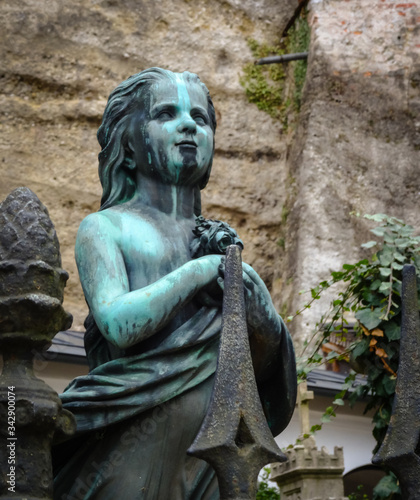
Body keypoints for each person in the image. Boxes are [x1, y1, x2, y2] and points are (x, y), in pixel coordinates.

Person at [53, 68, 296, 500]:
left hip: (213, 456)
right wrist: (201, 272)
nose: (188, 124)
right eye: (166, 113)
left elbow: (251, 369)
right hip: (129, 443)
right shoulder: (107, 228)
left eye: (200, 118)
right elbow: (118, 323)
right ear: (127, 146)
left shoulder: (219, 242)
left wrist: (266, 326)